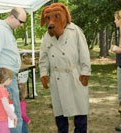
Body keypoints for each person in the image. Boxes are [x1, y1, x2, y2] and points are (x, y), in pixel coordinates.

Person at [39, 3, 91, 133]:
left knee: (80, 110)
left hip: (75, 76)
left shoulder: (75, 31)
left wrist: (85, 72)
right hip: (57, 79)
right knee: (60, 114)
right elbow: (43, 57)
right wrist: (44, 73)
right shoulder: (47, 37)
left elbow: (84, 53)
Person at [0, 7, 27, 133]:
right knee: (13, 116)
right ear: (12, 17)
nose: (21, 25)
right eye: (21, 22)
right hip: (5, 80)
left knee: (14, 114)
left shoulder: (7, 30)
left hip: (10, 78)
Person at [0, 68, 17, 133]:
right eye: (11, 79)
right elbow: (6, 107)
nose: (11, 80)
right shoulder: (2, 91)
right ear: (7, 80)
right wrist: (13, 116)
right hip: (2, 120)